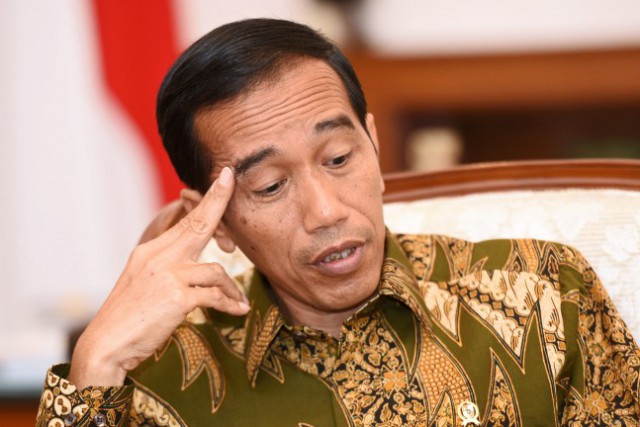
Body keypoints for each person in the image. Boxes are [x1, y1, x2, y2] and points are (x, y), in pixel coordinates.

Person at [36, 18, 640, 427]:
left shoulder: (542, 293)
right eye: (270, 186)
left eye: (338, 159)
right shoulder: (160, 376)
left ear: (373, 144)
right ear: (213, 221)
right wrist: (93, 369)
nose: (326, 211)